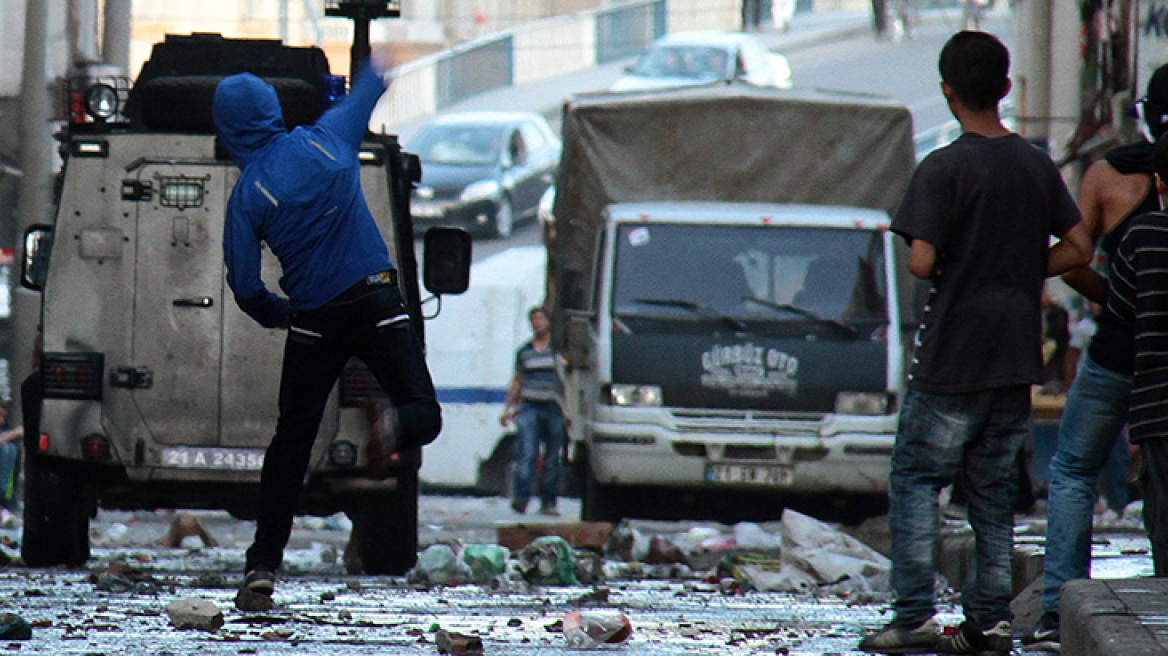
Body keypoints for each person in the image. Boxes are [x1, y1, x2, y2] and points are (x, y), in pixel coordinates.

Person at [857, 31, 1090, 655]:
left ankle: (912, 618)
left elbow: (920, 260)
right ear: (1007, 89)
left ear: (947, 92)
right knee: (991, 490)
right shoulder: (1035, 164)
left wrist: (963, 263)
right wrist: (1017, 265)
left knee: (914, 480)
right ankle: (988, 622)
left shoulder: (943, 167)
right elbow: (1078, 249)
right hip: (1013, 356)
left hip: (953, 352)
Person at [213, 47, 442, 602]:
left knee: (291, 444)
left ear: (227, 129)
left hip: (314, 318)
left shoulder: (247, 198)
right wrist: (379, 58)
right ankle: (392, 426)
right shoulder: (328, 137)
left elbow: (245, 287)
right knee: (424, 413)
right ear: (272, 111)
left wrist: (277, 312)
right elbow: (371, 84)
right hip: (376, 300)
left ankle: (262, 566)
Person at [1022, 63, 1168, 652]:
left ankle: (1060, 604)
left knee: (1074, 468)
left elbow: (1076, 251)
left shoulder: (1109, 174)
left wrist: (1118, 297)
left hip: (1117, 349)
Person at [1104, 133, 1168, 585]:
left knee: (1163, 509)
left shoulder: (1143, 236)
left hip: (1157, 404)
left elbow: (1120, 307)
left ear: (1159, 181)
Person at [500, 306, 564, 516]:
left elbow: (568, 382)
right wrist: (508, 409)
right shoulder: (525, 352)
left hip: (554, 408)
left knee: (553, 457)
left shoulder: (557, 351)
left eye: (541, 319)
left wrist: (569, 410)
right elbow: (517, 381)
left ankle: (548, 501)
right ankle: (521, 499)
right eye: (534, 319)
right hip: (530, 407)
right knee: (527, 453)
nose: (537, 323)